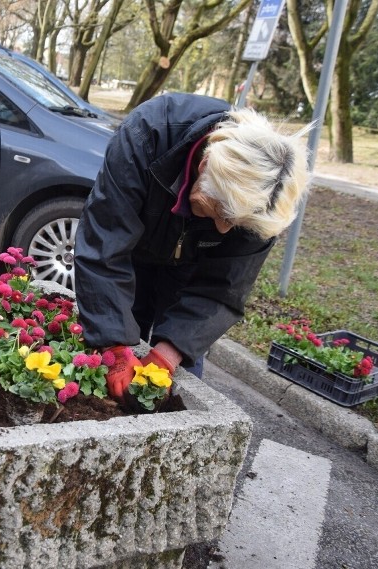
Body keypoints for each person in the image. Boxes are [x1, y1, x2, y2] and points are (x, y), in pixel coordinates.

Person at [73, 92, 311, 402]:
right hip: (129, 252)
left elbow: (224, 286)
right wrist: (115, 346)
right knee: (114, 340)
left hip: (192, 262)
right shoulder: (149, 133)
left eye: (235, 223)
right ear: (206, 164)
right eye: (223, 213)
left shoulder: (266, 199)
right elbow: (104, 243)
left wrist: (168, 354)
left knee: (180, 366)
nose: (225, 229)